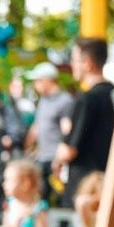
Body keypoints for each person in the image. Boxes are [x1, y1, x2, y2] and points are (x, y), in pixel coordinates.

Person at [55, 37, 114, 206]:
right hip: (113, 183)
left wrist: (58, 157)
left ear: (87, 62)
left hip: (85, 188)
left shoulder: (87, 99)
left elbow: (69, 150)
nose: (72, 65)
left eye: (74, 60)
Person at [24, 62, 74, 202]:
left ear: (48, 80)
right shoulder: (43, 100)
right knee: (40, 198)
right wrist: (29, 148)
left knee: (60, 200)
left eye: (38, 80)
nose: (36, 84)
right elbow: (37, 126)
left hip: (56, 160)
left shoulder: (65, 101)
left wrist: (60, 157)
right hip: (42, 158)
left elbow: (67, 130)